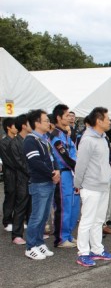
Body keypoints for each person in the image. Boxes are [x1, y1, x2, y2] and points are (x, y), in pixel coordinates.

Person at [74, 107, 111, 267]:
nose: (109, 121)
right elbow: (80, 165)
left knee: (98, 220)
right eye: (106, 119)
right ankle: (83, 253)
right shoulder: (88, 140)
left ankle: (97, 249)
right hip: (90, 186)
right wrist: (77, 184)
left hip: (103, 185)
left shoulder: (103, 138)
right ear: (98, 121)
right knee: (87, 220)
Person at [23, 109, 60, 260]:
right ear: (37, 123)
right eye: (45, 120)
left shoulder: (44, 139)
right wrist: (52, 174)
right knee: (37, 216)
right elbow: (35, 162)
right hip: (39, 183)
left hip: (48, 182)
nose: (48, 123)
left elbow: (52, 159)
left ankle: (39, 243)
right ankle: (30, 246)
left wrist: (56, 170)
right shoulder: (30, 140)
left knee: (44, 216)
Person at [50, 104, 81, 248]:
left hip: (72, 174)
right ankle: (61, 238)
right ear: (58, 117)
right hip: (63, 174)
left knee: (73, 206)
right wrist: (79, 168)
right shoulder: (56, 136)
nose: (70, 117)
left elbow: (74, 154)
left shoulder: (66, 135)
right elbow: (64, 158)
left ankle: (68, 234)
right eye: (67, 115)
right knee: (64, 206)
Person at [8, 114, 32, 245]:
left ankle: (31, 232)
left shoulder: (29, 140)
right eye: (29, 123)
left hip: (31, 178)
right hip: (21, 179)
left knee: (31, 207)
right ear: (23, 125)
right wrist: (32, 171)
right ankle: (16, 234)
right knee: (21, 206)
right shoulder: (14, 143)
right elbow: (18, 163)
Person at [0, 117, 17, 232]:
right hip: (10, 173)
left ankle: (16, 220)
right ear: (8, 127)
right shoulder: (3, 142)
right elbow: (7, 160)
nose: (17, 128)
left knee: (19, 197)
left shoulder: (17, 141)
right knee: (10, 196)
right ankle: (7, 221)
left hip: (19, 173)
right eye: (14, 126)